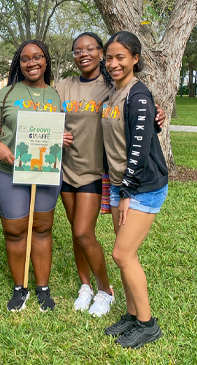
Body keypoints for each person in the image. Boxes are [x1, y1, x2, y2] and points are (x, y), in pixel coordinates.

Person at [55, 32, 166, 317]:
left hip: (104, 175)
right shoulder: (69, 86)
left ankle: (109, 293)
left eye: (90, 48)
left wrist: (155, 114)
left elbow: (139, 120)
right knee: (78, 234)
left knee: (88, 235)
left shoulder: (113, 86)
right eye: (77, 50)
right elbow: (43, 114)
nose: (84, 54)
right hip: (76, 172)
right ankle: (89, 288)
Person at [0, 40, 73, 312]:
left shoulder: (55, 95)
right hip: (8, 172)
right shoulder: (7, 94)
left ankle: (43, 288)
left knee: (42, 227)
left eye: (37, 57)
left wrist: (63, 137)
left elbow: (55, 130)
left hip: (45, 171)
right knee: (15, 230)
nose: (31, 62)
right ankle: (19, 286)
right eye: (25, 58)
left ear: (46, 61)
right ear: (19, 63)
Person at [101, 31, 168, 349]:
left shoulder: (137, 95)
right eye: (109, 57)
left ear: (135, 59)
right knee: (125, 256)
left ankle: (148, 324)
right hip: (120, 185)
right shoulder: (114, 93)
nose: (113, 63)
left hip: (141, 187)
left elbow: (139, 151)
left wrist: (126, 192)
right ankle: (131, 314)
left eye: (120, 57)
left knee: (122, 254)